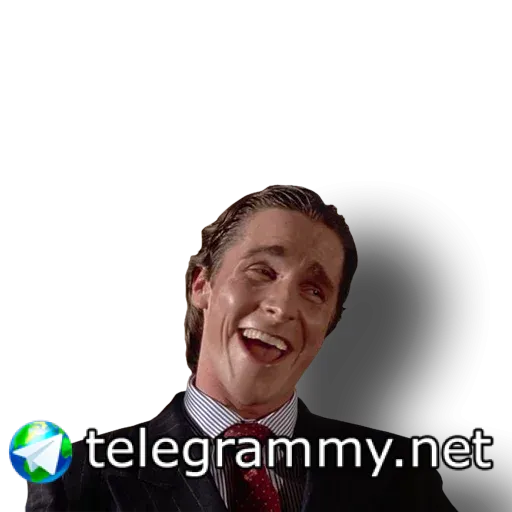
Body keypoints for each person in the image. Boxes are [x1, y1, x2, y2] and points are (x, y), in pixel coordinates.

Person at [25, 184, 457, 511]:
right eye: (262, 270)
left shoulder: (400, 475)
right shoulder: (77, 480)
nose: (282, 306)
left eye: (313, 290)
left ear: (329, 325)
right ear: (202, 285)